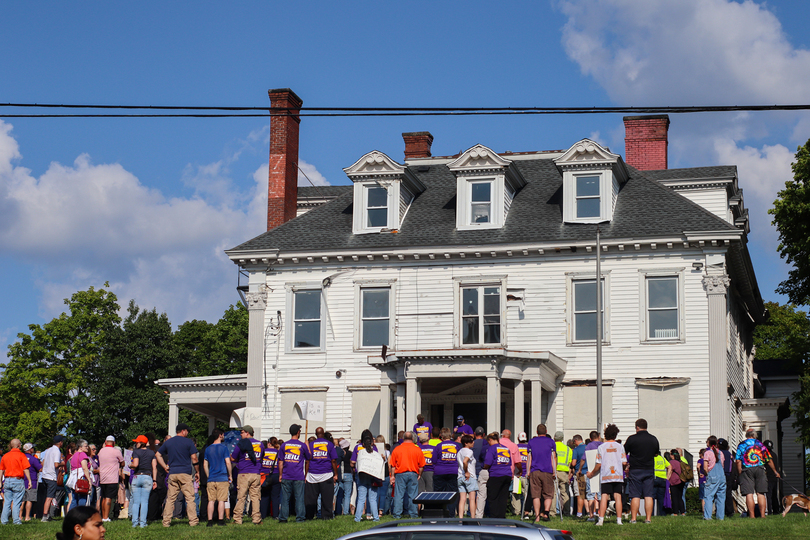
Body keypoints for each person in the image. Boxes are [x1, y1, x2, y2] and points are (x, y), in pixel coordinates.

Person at [156, 422, 201, 527]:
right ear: (183, 431)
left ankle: (166, 522)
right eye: (187, 431)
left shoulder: (169, 442)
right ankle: (193, 521)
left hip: (172, 473)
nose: (188, 432)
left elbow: (158, 455)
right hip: (185, 473)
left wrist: (164, 466)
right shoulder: (188, 442)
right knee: (190, 498)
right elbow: (194, 458)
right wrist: (197, 471)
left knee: (170, 498)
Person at [586, 423, 626, 526]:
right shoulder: (620, 446)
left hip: (606, 476)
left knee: (604, 497)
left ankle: (601, 520)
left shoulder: (602, 447)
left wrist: (591, 473)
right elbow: (624, 462)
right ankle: (619, 520)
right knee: (618, 497)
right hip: (617, 475)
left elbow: (598, 464)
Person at [735, 429, 779, 518]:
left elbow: (738, 460)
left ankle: (752, 516)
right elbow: (769, 460)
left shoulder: (742, 445)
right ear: (755, 435)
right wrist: (775, 471)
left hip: (747, 469)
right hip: (760, 468)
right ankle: (763, 515)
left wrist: (740, 472)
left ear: (746, 435)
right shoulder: (760, 444)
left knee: (749, 493)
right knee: (761, 493)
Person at [622, 418, 660, 523]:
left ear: (637, 427)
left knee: (635, 495)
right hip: (648, 469)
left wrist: (626, 466)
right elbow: (656, 453)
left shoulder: (632, 439)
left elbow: (624, 452)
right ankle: (648, 519)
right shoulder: (653, 439)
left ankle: (634, 518)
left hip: (635, 470)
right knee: (648, 495)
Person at [279, 423, 312, 523]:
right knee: (299, 499)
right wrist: (307, 445)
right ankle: (300, 518)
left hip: (286, 475)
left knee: (285, 499)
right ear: (298, 432)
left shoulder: (284, 445)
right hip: (298, 476)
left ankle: (283, 518)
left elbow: (280, 462)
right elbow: (309, 457)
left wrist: (280, 475)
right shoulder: (302, 445)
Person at [231, 425, 263, 525]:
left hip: (244, 473)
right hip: (256, 473)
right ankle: (256, 519)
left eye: (242, 432)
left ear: (247, 433)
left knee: (241, 497)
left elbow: (233, 458)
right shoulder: (260, 444)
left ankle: (238, 519)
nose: (240, 435)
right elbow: (262, 456)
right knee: (255, 497)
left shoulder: (241, 443)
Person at [389, 431, 425, 519]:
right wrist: (419, 474)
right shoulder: (417, 449)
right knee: (413, 495)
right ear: (413, 439)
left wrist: (392, 476)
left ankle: (397, 514)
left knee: (398, 495)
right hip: (413, 473)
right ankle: (413, 514)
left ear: (403, 439)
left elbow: (393, 465)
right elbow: (421, 465)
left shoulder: (397, 449)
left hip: (400, 474)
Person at [306, 426, 338, 520]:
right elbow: (333, 460)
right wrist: (335, 474)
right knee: (327, 498)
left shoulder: (311, 445)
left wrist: (306, 474)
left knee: (311, 499)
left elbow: (307, 460)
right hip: (326, 474)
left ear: (316, 434)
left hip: (312, 474)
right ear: (323, 434)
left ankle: (309, 516)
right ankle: (327, 516)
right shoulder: (330, 444)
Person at [526, 424, 556, 522]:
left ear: (536, 432)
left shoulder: (531, 442)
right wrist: (554, 471)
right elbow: (553, 457)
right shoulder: (551, 442)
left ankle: (537, 516)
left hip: (535, 470)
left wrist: (528, 471)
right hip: (547, 470)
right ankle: (546, 513)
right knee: (548, 494)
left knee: (536, 495)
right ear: (546, 431)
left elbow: (529, 458)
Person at [483, 432, 516, 519]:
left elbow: (488, 462)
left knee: (493, 497)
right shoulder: (505, 448)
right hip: (507, 474)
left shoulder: (492, 448)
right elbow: (509, 462)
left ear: (490, 440)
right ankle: (501, 516)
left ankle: (494, 516)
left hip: (496, 475)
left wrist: (484, 467)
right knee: (503, 497)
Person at [0, 439, 32, 525]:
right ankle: (16, 521)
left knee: (7, 501)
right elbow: (26, 468)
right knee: (17, 502)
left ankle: (4, 521)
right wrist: (29, 480)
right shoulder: (21, 455)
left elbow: (1, 470)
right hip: (18, 480)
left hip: (7, 480)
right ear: (18, 445)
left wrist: (0, 481)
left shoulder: (5, 456)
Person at [203, 428, 231, 526]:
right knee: (221, 500)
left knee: (211, 500)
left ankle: (209, 521)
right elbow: (228, 462)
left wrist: (208, 475)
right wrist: (230, 475)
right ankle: (220, 521)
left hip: (211, 478)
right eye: (223, 434)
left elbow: (205, 465)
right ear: (220, 435)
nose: (223, 436)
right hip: (222, 477)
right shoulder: (224, 448)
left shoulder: (208, 448)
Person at [128, 435, 156, 528]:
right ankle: (143, 523)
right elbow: (154, 467)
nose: (136, 443)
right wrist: (155, 480)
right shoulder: (152, 453)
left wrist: (129, 465)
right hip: (148, 477)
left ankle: (135, 523)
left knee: (136, 502)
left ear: (141, 443)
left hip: (137, 477)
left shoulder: (136, 452)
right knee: (145, 502)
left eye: (137, 442)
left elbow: (135, 464)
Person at [354, 430, 380, 522]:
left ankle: (357, 518)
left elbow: (353, 461)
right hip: (373, 475)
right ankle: (376, 518)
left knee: (361, 498)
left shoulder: (358, 449)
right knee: (373, 499)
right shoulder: (375, 449)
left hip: (361, 476)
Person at [432, 427, 460, 513]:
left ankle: (440, 512)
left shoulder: (438, 446)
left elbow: (433, 460)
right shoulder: (456, 445)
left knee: (439, 493)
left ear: (442, 436)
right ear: (450, 435)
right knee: (452, 493)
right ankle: (451, 513)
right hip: (453, 471)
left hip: (440, 471)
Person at [97, 436, 124, 522]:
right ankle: (106, 517)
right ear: (114, 443)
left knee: (103, 497)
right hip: (112, 478)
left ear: (105, 441)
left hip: (102, 477)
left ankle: (103, 516)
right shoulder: (116, 451)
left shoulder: (101, 451)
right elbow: (122, 462)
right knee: (109, 497)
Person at [41, 435, 65, 522]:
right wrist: (62, 463)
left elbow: (42, 463)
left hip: (44, 475)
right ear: (60, 442)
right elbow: (56, 464)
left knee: (47, 496)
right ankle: (44, 517)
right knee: (50, 497)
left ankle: (47, 515)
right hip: (51, 477)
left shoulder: (48, 450)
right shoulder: (57, 451)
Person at [703, 435, 726, 520]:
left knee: (709, 497)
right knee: (721, 498)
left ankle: (708, 517)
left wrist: (706, 474)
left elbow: (705, 467)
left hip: (712, 476)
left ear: (708, 443)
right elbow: (722, 465)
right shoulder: (721, 453)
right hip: (722, 477)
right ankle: (720, 517)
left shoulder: (707, 453)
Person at [551, 431, 572, 517]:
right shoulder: (568, 449)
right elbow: (570, 463)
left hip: (554, 471)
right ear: (562, 438)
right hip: (564, 472)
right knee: (565, 493)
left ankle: (553, 512)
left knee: (553, 493)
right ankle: (566, 512)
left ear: (554, 438)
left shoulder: (552, 447)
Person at [68, 440, 93, 510]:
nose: (87, 447)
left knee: (74, 499)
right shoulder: (82, 455)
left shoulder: (74, 455)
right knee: (82, 498)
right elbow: (85, 468)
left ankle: (71, 517)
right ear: (80, 447)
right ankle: (81, 516)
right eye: (85, 446)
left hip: (74, 479)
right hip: (82, 478)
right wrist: (89, 480)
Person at [456, 434, 477, 518]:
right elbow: (465, 461)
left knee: (462, 499)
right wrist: (467, 472)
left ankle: (460, 518)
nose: (473, 443)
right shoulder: (469, 451)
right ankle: (473, 518)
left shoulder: (459, 452)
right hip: (470, 476)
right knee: (472, 499)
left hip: (460, 476)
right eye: (471, 441)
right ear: (466, 443)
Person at [259, 437, 280, 520]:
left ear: (268, 443)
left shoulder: (263, 452)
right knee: (275, 496)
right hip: (276, 474)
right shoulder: (278, 452)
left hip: (264, 475)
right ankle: (275, 515)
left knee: (264, 496)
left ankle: (263, 515)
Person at [22, 443, 42, 521]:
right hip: (32, 480)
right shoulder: (34, 459)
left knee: (22, 500)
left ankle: (20, 516)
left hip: (21, 480)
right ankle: (27, 516)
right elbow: (40, 469)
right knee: (29, 499)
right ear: (30, 449)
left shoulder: (21, 457)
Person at [513, 432, 529, 518]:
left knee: (516, 494)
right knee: (526, 494)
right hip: (526, 474)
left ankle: (517, 511)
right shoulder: (529, 447)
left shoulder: (515, 447)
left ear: (518, 438)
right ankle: (527, 511)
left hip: (517, 474)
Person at [717, 438, 735, 517]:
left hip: (720, 475)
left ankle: (721, 510)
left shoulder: (718, 453)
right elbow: (732, 465)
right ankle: (730, 511)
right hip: (729, 475)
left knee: (719, 493)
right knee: (728, 493)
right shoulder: (729, 454)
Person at [667, 449, 686, 516]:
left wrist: (667, 479)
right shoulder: (680, 461)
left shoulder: (672, 462)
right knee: (680, 497)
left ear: (672, 455)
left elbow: (670, 471)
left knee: (674, 497)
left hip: (674, 481)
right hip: (681, 481)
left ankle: (675, 512)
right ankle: (683, 512)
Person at [652, 451, 670, 516]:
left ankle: (651, 514)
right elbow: (670, 467)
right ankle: (662, 514)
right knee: (661, 498)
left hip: (654, 478)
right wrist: (668, 477)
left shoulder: (652, 458)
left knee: (652, 497)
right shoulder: (663, 459)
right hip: (663, 479)